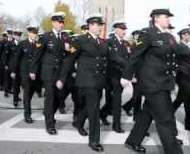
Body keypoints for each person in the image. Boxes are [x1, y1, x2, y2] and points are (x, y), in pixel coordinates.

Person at [121, 8, 190, 154]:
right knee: (165, 119)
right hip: (151, 83)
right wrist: (126, 76)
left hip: (164, 82)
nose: (169, 20)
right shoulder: (147, 33)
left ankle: (132, 141)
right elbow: (135, 55)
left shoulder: (168, 37)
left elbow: (181, 51)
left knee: (148, 113)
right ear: (156, 18)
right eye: (166, 17)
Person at [56, 14, 128, 152]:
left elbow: (114, 57)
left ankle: (78, 121)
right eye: (98, 25)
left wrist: (130, 65)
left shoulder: (103, 42)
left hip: (99, 81)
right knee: (94, 109)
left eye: (101, 25)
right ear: (90, 25)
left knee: (93, 104)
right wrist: (62, 78)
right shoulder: (80, 40)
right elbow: (69, 60)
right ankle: (94, 141)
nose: (100, 27)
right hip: (87, 80)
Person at [30, 12, 69, 135]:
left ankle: (49, 113)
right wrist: (33, 70)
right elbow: (36, 55)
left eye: (62, 22)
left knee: (60, 97)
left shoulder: (65, 37)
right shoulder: (45, 37)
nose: (61, 24)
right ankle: (50, 124)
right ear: (53, 22)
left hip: (60, 73)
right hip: (48, 73)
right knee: (50, 98)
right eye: (59, 22)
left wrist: (70, 49)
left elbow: (71, 53)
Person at [11, 26, 40, 123]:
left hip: (35, 74)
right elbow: (16, 58)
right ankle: (27, 115)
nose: (34, 35)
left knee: (30, 94)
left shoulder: (38, 44)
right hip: (24, 73)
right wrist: (13, 71)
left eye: (36, 33)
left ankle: (27, 107)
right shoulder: (22, 44)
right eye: (33, 33)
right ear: (28, 33)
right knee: (27, 93)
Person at [9, 29, 23, 107]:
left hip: (22, 68)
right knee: (15, 85)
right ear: (14, 36)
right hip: (14, 68)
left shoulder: (22, 44)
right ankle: (15, 100)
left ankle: (17, 96)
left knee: (22, 85)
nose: (18, 37)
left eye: (19, 35)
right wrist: (12, 70)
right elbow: (8, 58)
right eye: (17, 35)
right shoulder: (9, 44)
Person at [2, 29, 14, 97]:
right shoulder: (4, 42)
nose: (10, 35)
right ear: (7, 34)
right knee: (6, 78)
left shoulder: (14, 41)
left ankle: (9, 89)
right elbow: (3, 55)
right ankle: (6, 91)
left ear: (12, 34)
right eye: (8, 33)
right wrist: (5, 64)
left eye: (11, 33)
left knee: (11, 78)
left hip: (13, 63)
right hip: (6, 63)